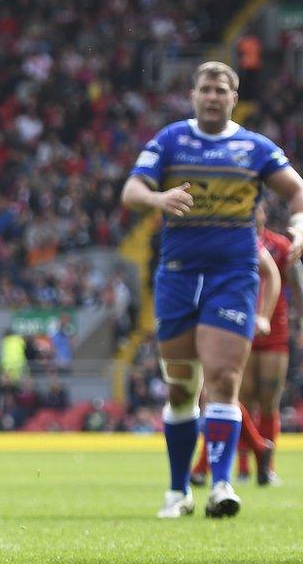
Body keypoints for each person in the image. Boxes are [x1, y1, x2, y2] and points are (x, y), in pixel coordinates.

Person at [120, 61, 303, 519]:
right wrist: (158, 199)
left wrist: (299, 224)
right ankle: (178, 490)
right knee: (181, 387)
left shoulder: (255, 148)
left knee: (223, 379)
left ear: (233, 98)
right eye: (205, 89)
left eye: (221, 90)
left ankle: (222, 485)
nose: (212, 96)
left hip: (233, 274)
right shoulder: (170, 140)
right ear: (193, 95)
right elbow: (132, 190)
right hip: (179, 274)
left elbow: (297, 190)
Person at [189, 239, 279, 486]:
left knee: (219, 394)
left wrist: (265, 316)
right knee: (220, 396)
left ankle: (212, 473)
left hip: (239, 320)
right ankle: (256, 452)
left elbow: (275, 274)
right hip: (212, 314)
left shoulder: (245, 235)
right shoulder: (203, 232)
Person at [238, 200, 298, 484]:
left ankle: (267, 467)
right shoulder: (233, 244)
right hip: (241, 328)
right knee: (242, 399)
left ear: (263, 212)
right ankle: (242, 468)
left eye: (256, 208)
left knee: (268, 400)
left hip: (275, 331)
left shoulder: (280, 245)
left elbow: (295, 284)